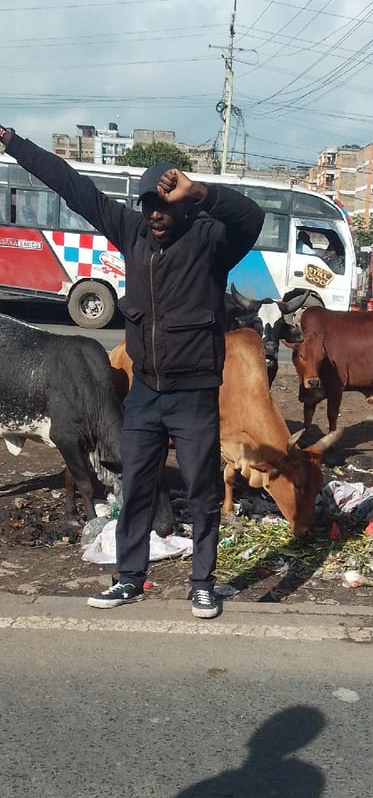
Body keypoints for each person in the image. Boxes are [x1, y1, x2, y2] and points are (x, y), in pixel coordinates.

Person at [0, 124, 264, 618]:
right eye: (150, 205)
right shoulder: (133, 233)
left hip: (194, 395)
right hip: (145, 393)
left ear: (184, 204)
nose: (157, 214)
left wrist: (200, 191)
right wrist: (13, 144)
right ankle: (129, 578)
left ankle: (203, 583)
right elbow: (73, 187)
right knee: (136, 483)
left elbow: (252, 218)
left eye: (167, 204)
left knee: (203, 491)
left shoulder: (211, 242)